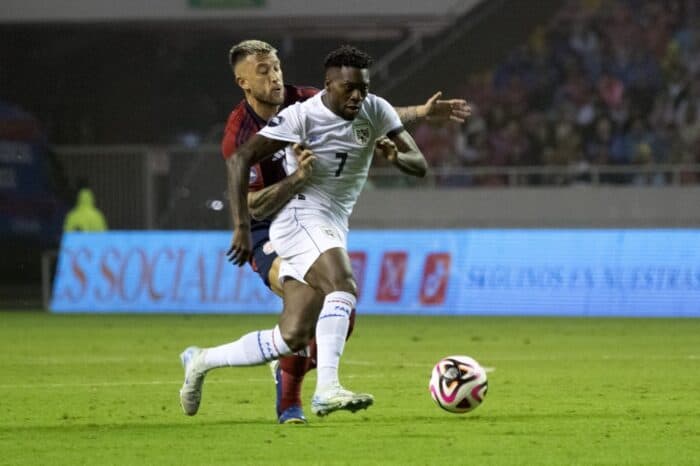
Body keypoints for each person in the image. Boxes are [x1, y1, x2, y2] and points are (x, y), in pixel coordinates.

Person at [180, 41, 469, 423]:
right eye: (263, 71)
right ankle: (323, 391)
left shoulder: (347, 102)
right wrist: (244, 225)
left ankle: (202, 361)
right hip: (283, 216)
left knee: (294, 334)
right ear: (243, 82)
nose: (275, 76)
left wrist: (407, 136)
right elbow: (244, 178)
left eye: (276, 67)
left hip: (330, 220)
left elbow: (405, 148)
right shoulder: (280, 120)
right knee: (341, 286)